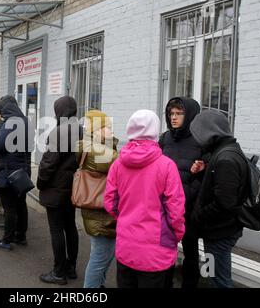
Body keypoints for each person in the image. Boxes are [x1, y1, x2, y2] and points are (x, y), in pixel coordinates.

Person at [104, 110, 185, 288]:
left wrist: (125, 219)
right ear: (155, 130)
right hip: (157, 250)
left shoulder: (118, 164)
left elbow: (110, 202)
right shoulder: (167, 166)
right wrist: (176, 235)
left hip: (126, 246)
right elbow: (176, 211)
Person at [189, 110, 248, 288]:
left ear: (209, 132)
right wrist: (203, 174)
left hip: (219, 233)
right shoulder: (224, 153)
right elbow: (220, 188)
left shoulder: (225, 159)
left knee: (218, 280)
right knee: (210, 273)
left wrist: (199, 216)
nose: (196, 139)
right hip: (216, 231)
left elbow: (225, 202)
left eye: (198, 134)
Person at [159, 97, 206, 288]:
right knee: (165, 250)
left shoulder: (201, 140)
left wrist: (202, 168)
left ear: (190, 115)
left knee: (191, 252)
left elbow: (209, 175)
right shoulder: (165, 138)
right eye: (171, 113)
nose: (174, 117)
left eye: (179, 113)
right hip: (165, 206)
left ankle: (190, 283)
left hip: (189, 207)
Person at [37, 96, 82, 285]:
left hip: (56, 187)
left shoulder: (59, 132)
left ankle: (58, 272)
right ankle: (71, 267)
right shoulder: (81, 130)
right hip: (72, 187)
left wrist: (40, 181)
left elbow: (49, 163)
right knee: (70, 226)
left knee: (56, 229)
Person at [77, 110, 118, 288]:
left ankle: (98, 285)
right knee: (100, 258)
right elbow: (123, 161)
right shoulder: (98, 151)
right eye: (107, 127)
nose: (111, 130)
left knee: (101, 255)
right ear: (97, 129)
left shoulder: (90, 145)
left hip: (96, 210)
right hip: (101, 214)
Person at [0, 95, 33, 251]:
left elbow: (0, 145)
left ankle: (7, 240)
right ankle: (21, 236)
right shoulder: (26, 121)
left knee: (10, 207)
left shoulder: (9, 123)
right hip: (23, 171)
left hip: (9, 171)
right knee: (21, 204)